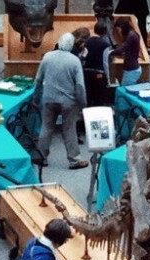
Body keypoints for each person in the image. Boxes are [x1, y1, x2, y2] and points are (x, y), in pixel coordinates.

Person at [33, 33, 88, 170]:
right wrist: (83, 103)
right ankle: (74, 160)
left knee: (46, 128)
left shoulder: (47, 57)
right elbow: (80, 86)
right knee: (69, 129)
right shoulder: (75, 61)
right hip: (68, 101)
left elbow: (38, 80)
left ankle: (42, 157)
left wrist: (36, 98)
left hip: (49, 98)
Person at [76, 24, 112, 109]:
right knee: (98, 99)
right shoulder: (106, 45)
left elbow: (82, 57)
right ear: (104, 32)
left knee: (88, 97)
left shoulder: (86, 42)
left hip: (86, 73)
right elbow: (105, 62)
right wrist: (108, 77)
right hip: (99, 74)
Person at [112, 17, 147, 87]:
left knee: (125, 90)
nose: (119, 31)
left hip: (132, 70)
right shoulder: (132, 34)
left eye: (119, 29)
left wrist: (110, 50)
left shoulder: (131, 36)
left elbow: (120, 49)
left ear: (122, 27)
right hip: (132, 69)